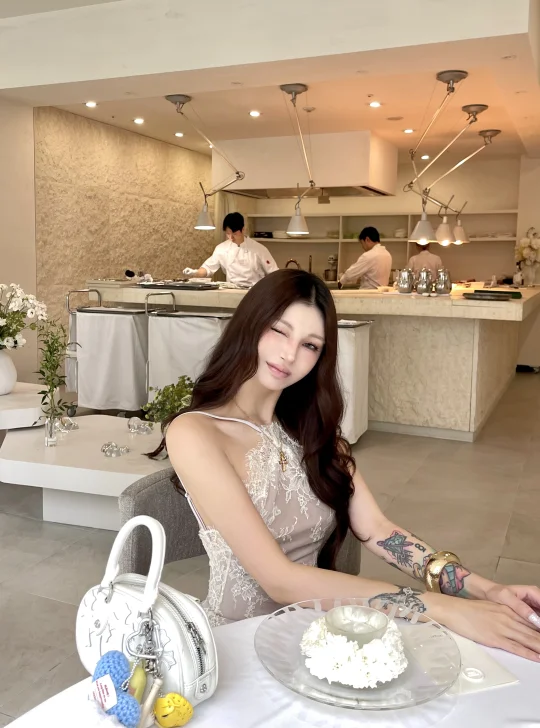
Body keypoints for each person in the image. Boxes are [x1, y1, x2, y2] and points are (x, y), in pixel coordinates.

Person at [158, 270, 540, 660]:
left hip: (318, 637)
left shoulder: (312, 434)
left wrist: (484, 589)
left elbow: (377, 530)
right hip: (236, 649)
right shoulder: (194, 433)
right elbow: (278, 580)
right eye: (279, 331)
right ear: (250, 324)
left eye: (309, 345)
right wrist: (440, 608)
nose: (289, 354)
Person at [183, 212, 278, 288]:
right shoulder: (221, 248)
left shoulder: (259, 249)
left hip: (254, 292)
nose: (231, 237)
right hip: (232, 291)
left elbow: (274, 274)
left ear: (243, 230)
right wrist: (194, 272)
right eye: (228, 234)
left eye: (235, 234)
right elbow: (208, 269)